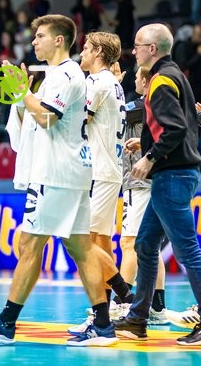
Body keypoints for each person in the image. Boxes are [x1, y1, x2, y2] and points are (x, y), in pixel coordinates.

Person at [0, 15, 120, 347]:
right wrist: (24, 97)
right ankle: (103, 324)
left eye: (39, 37)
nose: (33, 42)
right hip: (70, 172)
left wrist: (22, 92)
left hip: (57, 174)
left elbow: (48, 118)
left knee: (30, 246)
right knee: (80, 248)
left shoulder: (66, 74)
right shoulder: (55, 76)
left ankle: (6, 321)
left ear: (59, 40)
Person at [113, 24, 201, 346]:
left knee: (187, 249)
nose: (133, 51)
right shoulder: (175, 74)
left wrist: (149, 156)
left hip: (172, 175)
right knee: (145, 246)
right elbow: (181, 123)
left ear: (152, 49)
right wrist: (147, 142)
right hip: (175, 172)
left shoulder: (162, 80)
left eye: (137, 46)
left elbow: (175, 129)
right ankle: (138, 317)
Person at [78, 33, 131, 312]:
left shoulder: (96, 82)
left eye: (86, 49)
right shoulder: (113, 83)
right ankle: (110, 305)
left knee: (83, 240)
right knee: (100, 240)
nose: (81, 55)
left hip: (99, 169)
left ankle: (126, 295)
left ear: (98, 51)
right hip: (110, 168)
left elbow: (76, 121)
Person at [118, 68, 168, 325]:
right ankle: (157, 306)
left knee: (130, 243)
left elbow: (117, 112)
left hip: (140, 182)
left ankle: (121, 303)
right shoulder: (152, 106)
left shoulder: (142, 104)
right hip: (149, 180)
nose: (134, 80)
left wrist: (111, 86)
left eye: (137, 77)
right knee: (149, 245)